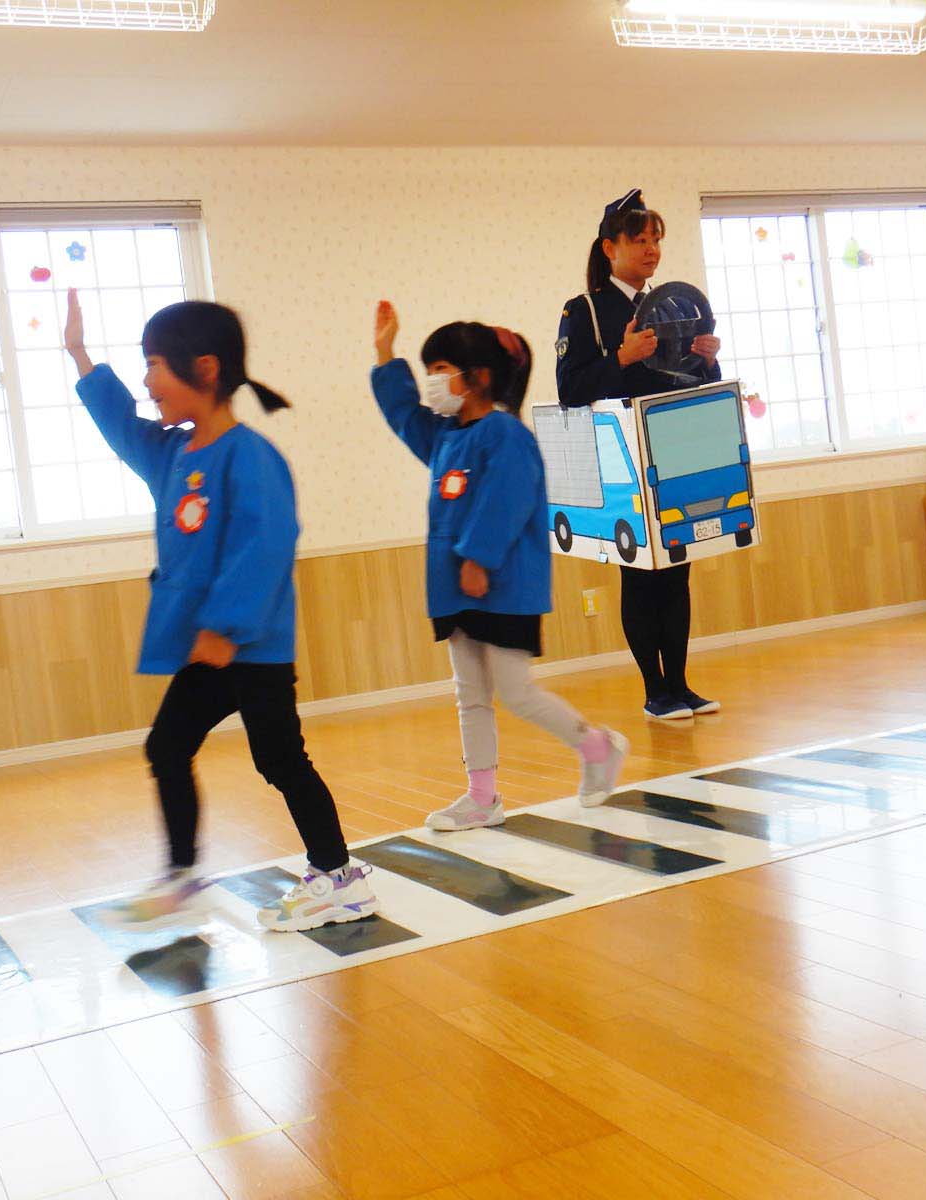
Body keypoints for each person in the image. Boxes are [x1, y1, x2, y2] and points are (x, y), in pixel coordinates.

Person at [63, 288, 377, 933]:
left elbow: (267, 543)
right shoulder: (173, 454)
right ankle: (182, 875)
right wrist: (80, 357)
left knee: (280, 761)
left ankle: (339, 879)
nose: (147, 382)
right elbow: (121, 425)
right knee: (166, 746)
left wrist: (226, 627)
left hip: (250, 649)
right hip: (208, 650)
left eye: (155, 365)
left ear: (204, 369)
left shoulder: (250, 455)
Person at [370, 300, 628, 830]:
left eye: (440, 370)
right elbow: (403, 415)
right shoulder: (444, 437)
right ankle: (482, 797)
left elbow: (506, 500)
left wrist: (478, 559)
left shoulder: (507, 435)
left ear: (479, 377)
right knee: (469, 695)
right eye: (428, 371)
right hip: (456, 588)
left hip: (503, 587)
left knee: (516, 692)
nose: (432, 382)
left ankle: (599, 747)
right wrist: (384, 353)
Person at [554, 188, 724, 723]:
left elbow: (688, 382)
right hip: (620, 460)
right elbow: (569, 391)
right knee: (640, 574)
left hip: (673, 450)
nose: (652, 250)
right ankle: (655, 691)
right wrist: (622, 357)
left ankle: (681, 685)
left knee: (676, 569)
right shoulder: (583, 311)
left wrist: (708, 362)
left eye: (656, 240)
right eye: (640, 240)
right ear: (610, 248)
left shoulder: (673, 305)